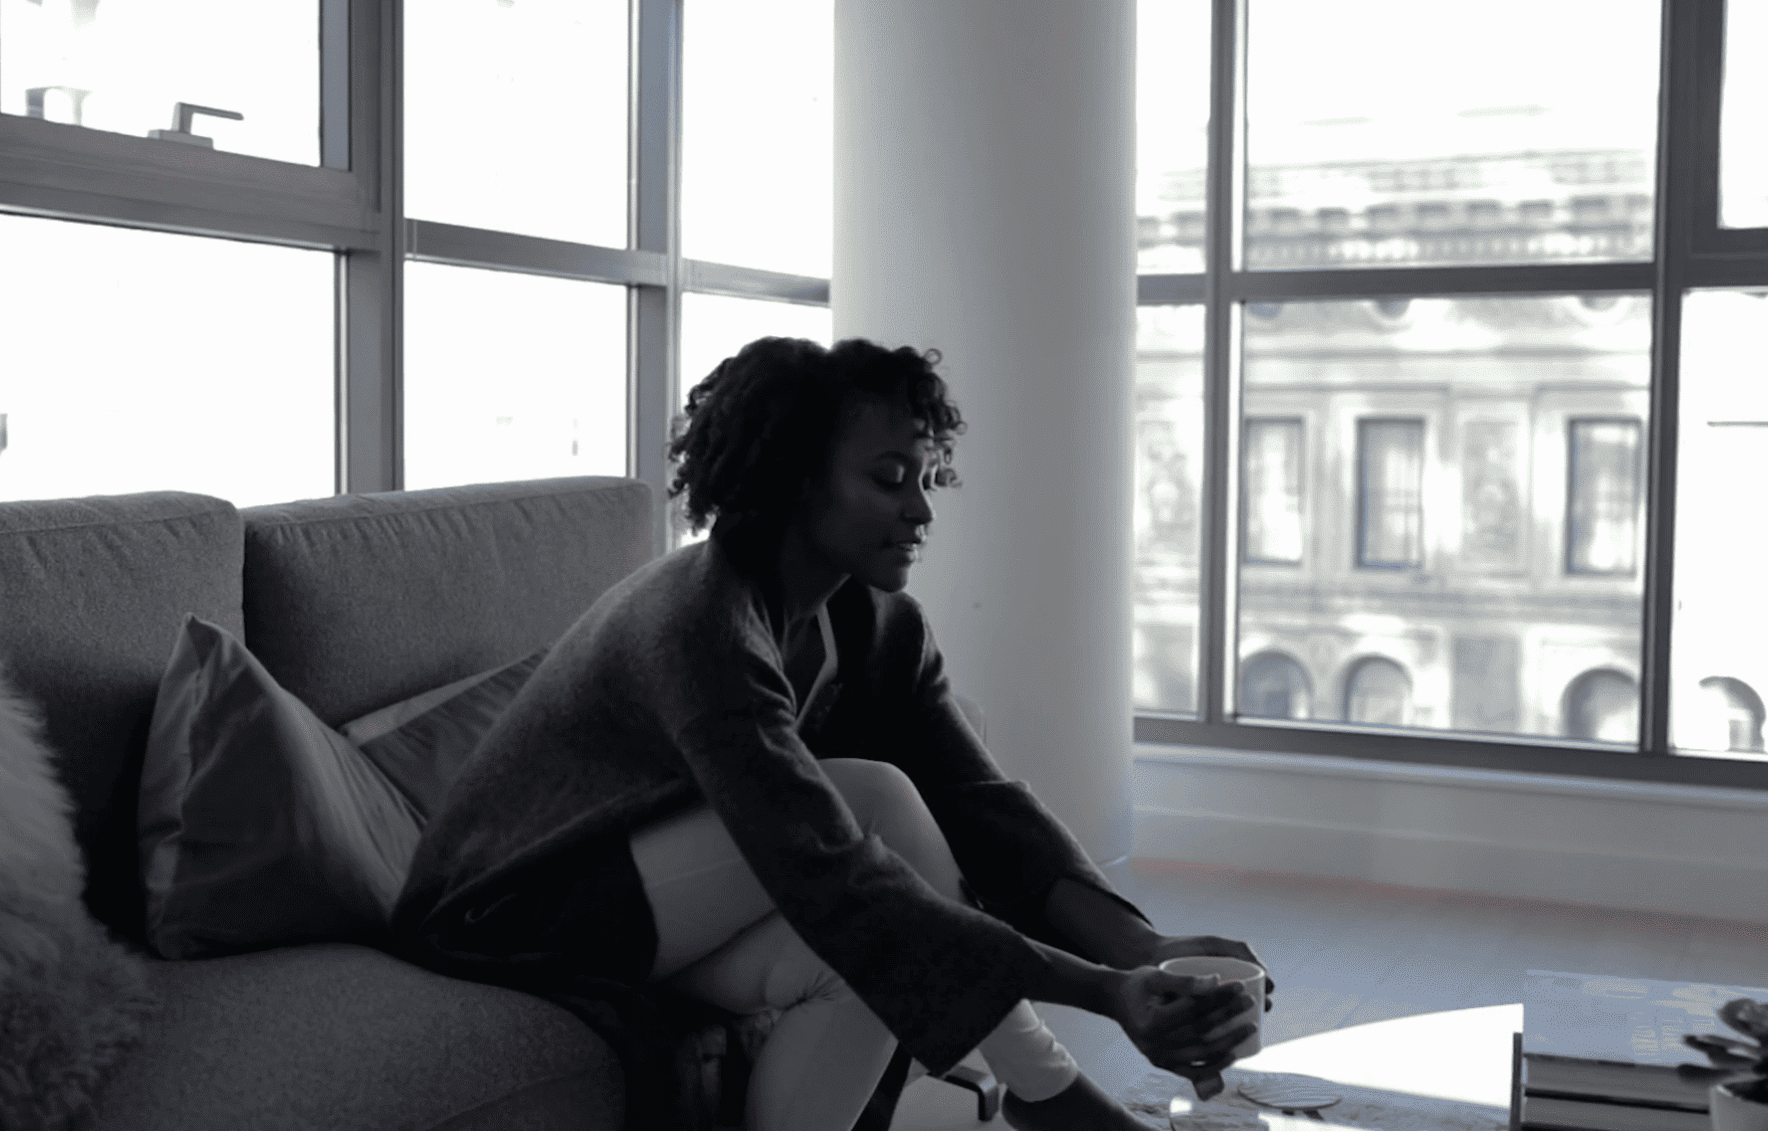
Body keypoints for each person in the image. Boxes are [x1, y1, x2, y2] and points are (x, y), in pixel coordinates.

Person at [391, 336, 1276, 1130]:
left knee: (872, 965)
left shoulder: (878, 626)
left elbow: (982, 806)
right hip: (510, 912)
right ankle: (1056, 1105)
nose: (922, 511)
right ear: (793, 478)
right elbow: (833, 877)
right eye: (890, 480)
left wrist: (1145, 951)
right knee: (873, 804)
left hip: (648, 902)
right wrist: (1104, 993)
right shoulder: (700, 628)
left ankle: (1049, 1107)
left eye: (928, 478)